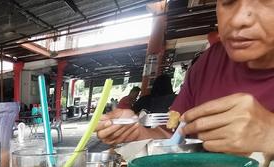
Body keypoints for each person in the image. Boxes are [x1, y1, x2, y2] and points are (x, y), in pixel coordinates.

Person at [97, 0, 274, 155]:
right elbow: (174, 139)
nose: (237, 20)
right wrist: (135, 134)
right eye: (228, 1)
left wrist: (269, 134)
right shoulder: (210, 61)